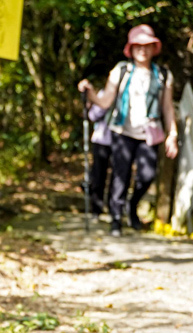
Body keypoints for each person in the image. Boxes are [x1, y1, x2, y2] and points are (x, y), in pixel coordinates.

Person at [78, 24, 178, 237]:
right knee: (120, 175)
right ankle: (116, 218)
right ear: (131, 49)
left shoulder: (163, 75)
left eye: (147, 45)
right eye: (138, 45)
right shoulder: (121, 70)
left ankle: (132, 206)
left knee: (147, 175)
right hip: (122, 131)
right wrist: (91, 93)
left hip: (149, 133)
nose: (142, 50)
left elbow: (168, 108)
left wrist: (173, 135)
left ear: (154, 48)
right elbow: (105, 102)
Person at [87, 93, 113, 218]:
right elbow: (92, 115)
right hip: (101, 140)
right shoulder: (103, 93)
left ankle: (113, 209)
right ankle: (96, 208)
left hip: (122, 142)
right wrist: (104, 104)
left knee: (118, 177)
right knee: (98, 175)